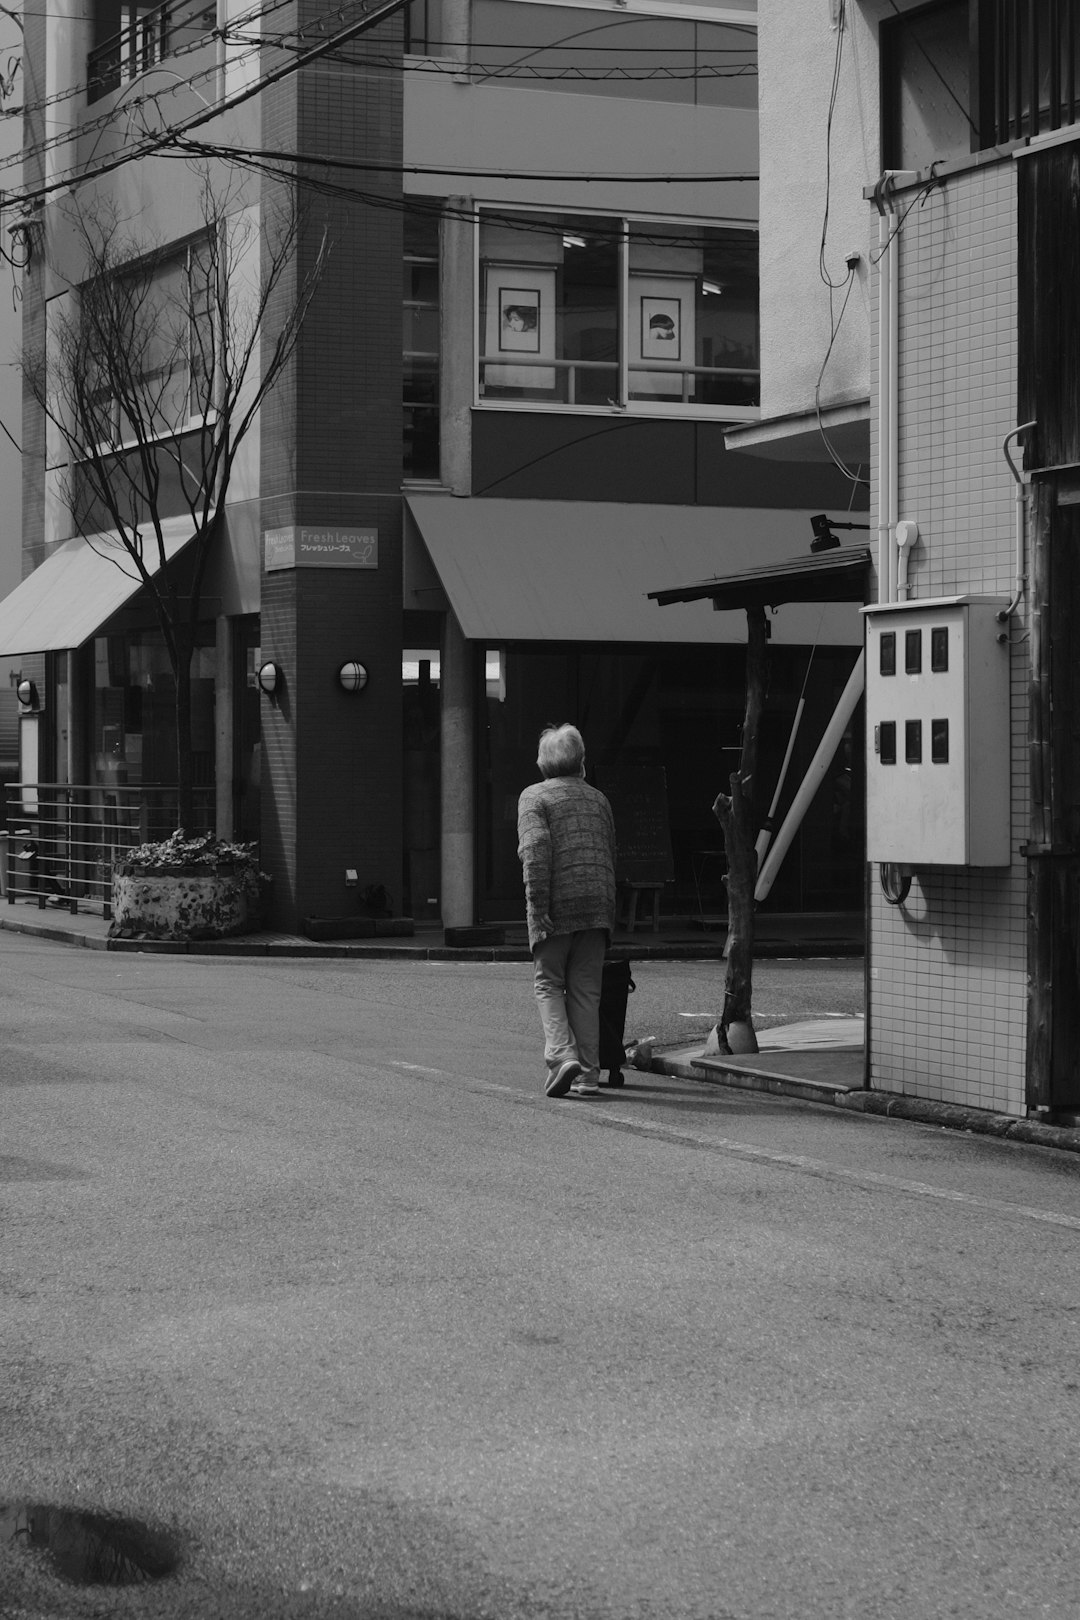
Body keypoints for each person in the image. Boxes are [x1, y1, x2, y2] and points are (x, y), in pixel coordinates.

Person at [517, 724, 617, 1099]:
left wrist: (537, 906)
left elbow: (535, 851)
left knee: (548, 983)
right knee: (586, 992)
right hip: (597, 905)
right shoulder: (599, 799)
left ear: (543, 763)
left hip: (557, 906)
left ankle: (561, 1058)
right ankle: (589, 1076)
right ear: (581, 761)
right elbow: (610, 852)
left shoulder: (534, 797)